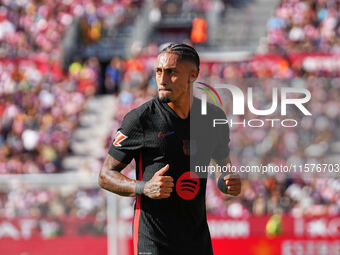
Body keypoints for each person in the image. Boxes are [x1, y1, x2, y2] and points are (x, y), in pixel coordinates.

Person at [99, 43, 241, 255]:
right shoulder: (140, 119)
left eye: (171, 73)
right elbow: (105, 176)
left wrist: (228, 182)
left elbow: (223, 167)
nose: (162, 80)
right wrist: (144, 188)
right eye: (158, 71)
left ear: (192, 76)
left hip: (197, 241)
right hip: (154, 242)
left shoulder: (213, 118)